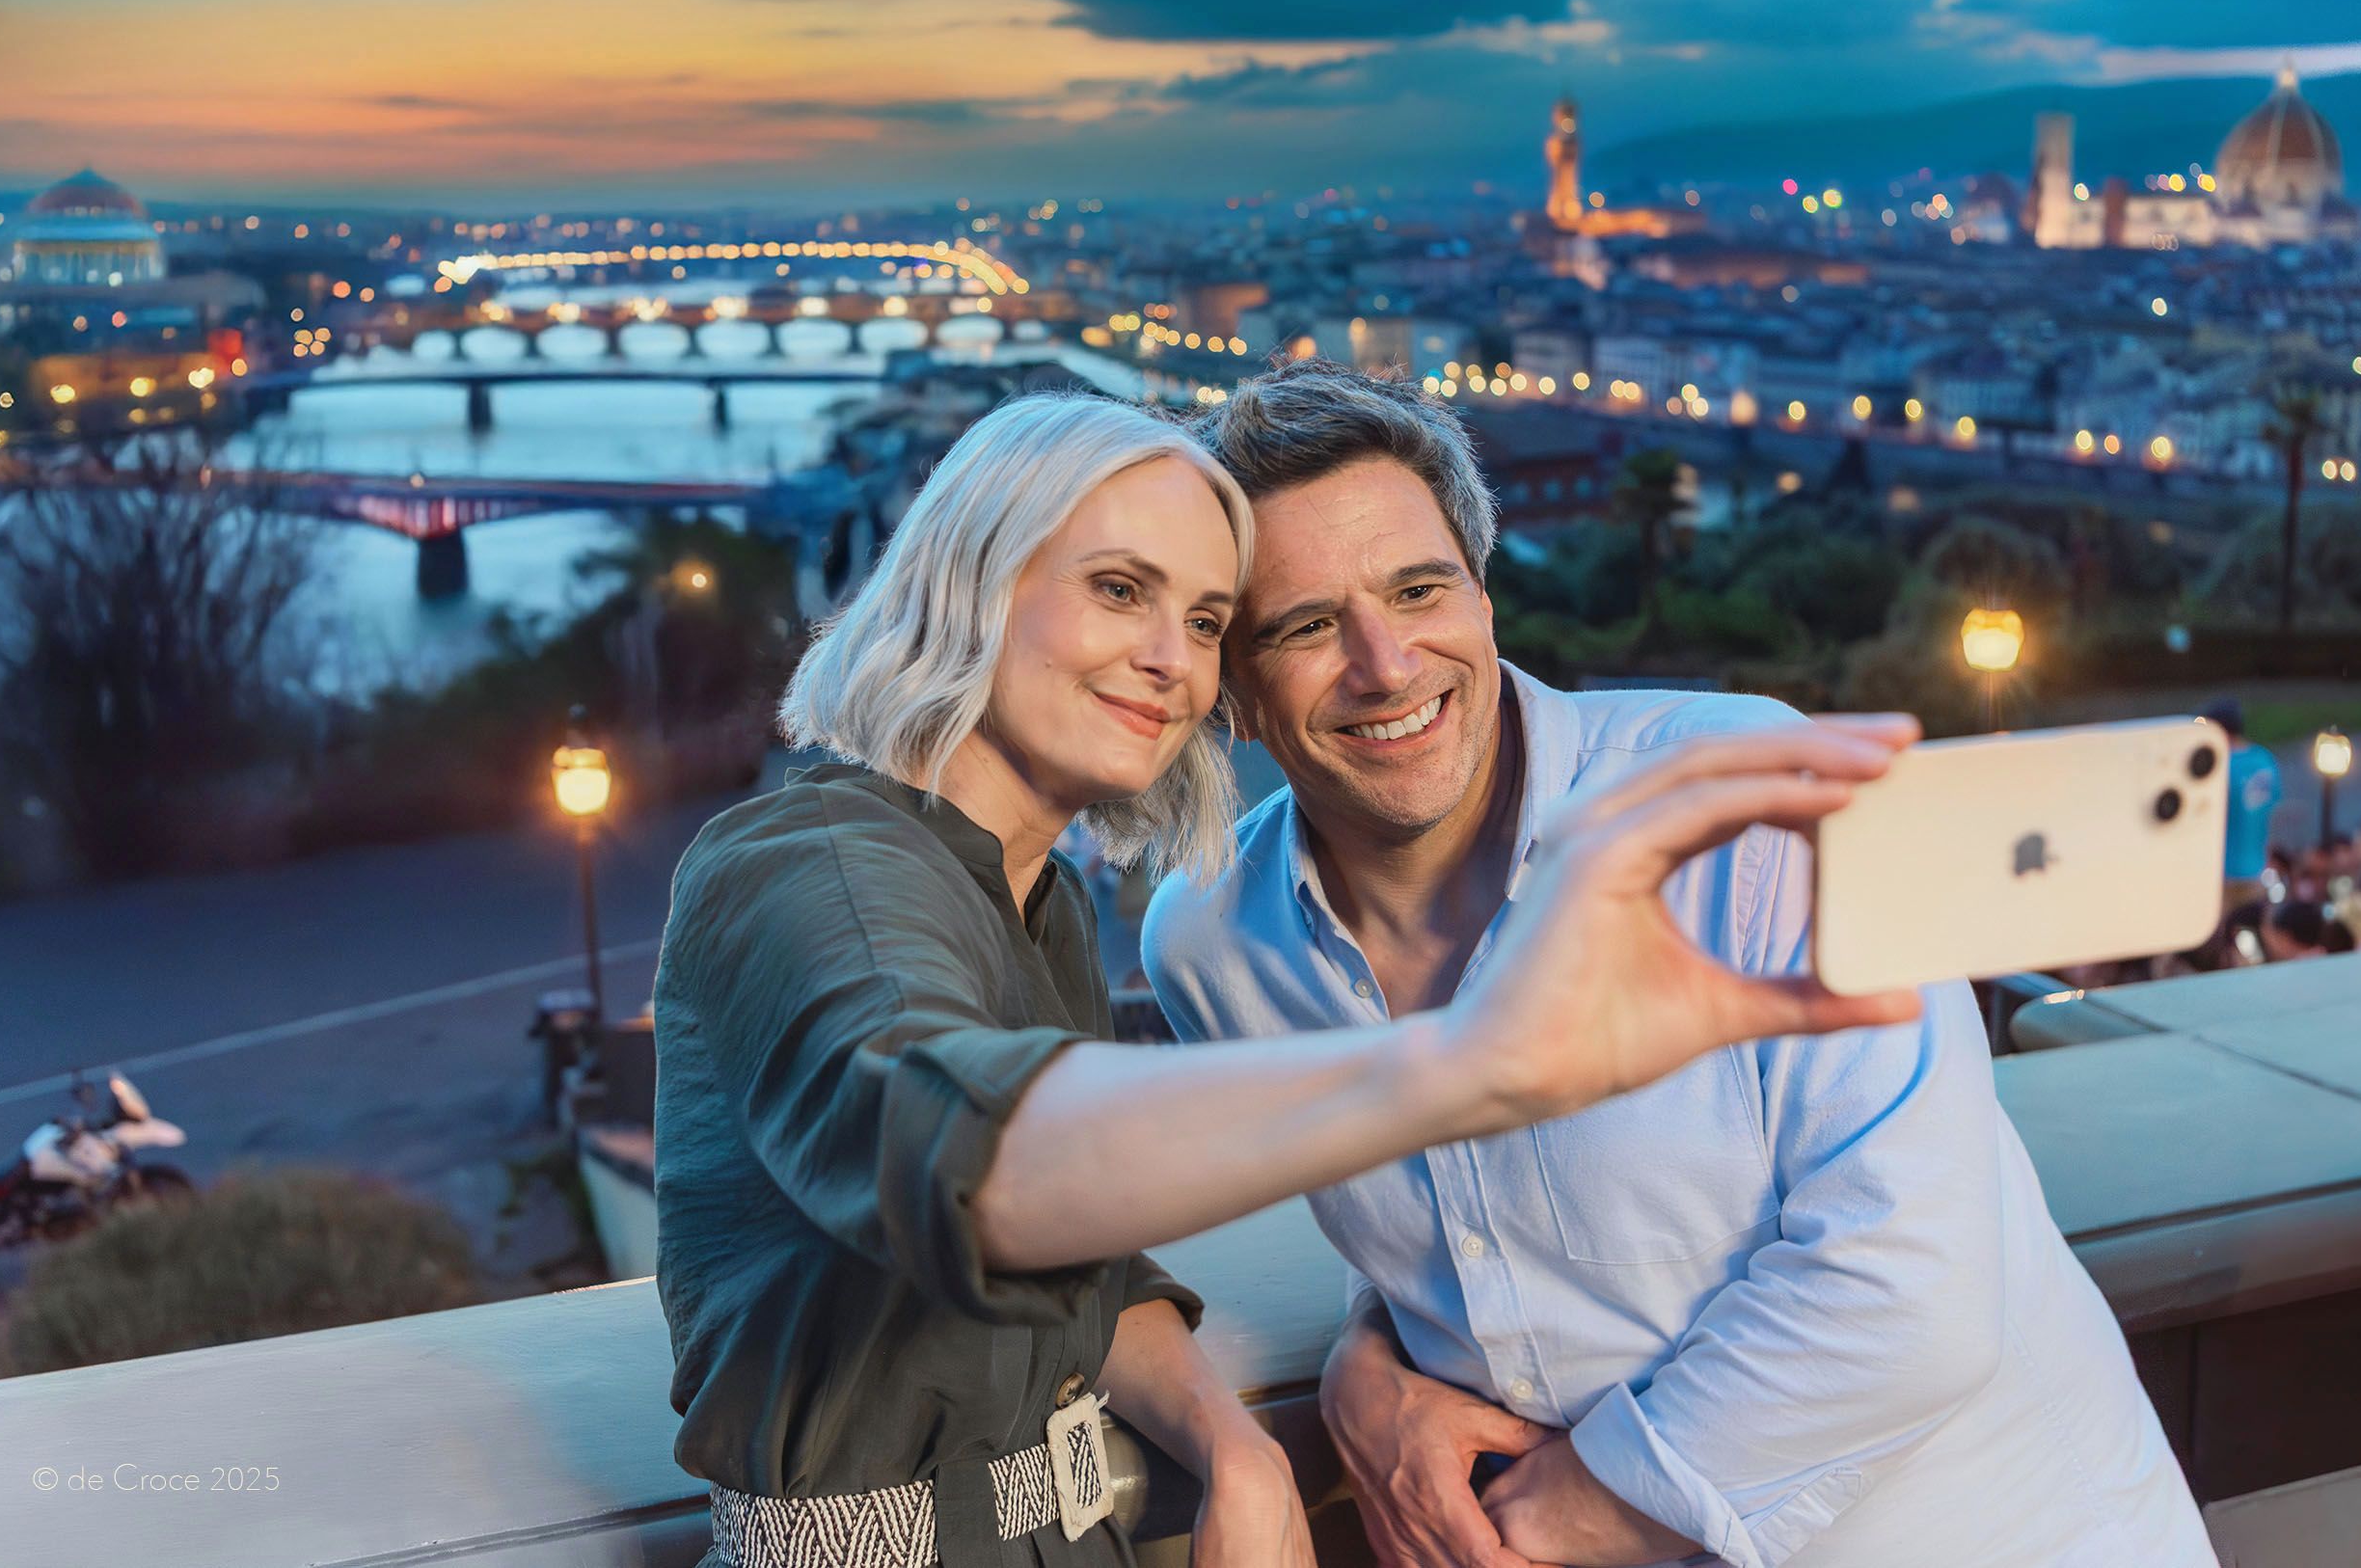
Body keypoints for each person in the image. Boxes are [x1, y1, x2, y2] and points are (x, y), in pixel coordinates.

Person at [650, 391, 1920, 1568]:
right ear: (970, 583)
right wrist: (1464, 1067)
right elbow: (959, 1161)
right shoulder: (806, 866)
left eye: (1204, 621)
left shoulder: (1040, 901)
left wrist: (1228, 1438)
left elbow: (1082, 1260)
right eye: (1118, 590)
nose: (1168, 656)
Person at [1145, 361, 2215, 1568]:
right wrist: (1370, 1356)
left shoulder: (1748, 805)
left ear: (1485, 595)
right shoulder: (1214, 947)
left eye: (1419, 586)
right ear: (1229, 691)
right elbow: (1442, 1217)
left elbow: (1910, 1280)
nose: (1386, 663)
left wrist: (1554, 1515)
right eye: (1303, 624)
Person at [2207, 698, 2280, 917]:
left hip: (2222, 872)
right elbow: (2271, 812)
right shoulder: (2264, 760)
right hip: (2256, 869)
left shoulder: (2221, 764)